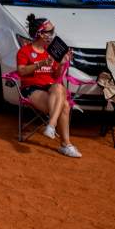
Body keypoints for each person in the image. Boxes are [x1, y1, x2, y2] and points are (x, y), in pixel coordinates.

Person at [16, 14, 80, 158]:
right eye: (49, 32)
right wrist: (40, 64)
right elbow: (21, 71)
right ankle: (65, 144)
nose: (52, 34)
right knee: (64, 105)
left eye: (53, 31)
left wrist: (62, 63)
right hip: (32, 88)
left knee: (59, 87)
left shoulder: (52, 51)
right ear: (39, 34)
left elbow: (56, 77)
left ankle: (51, 125)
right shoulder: (25, 51)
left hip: (50, 87)